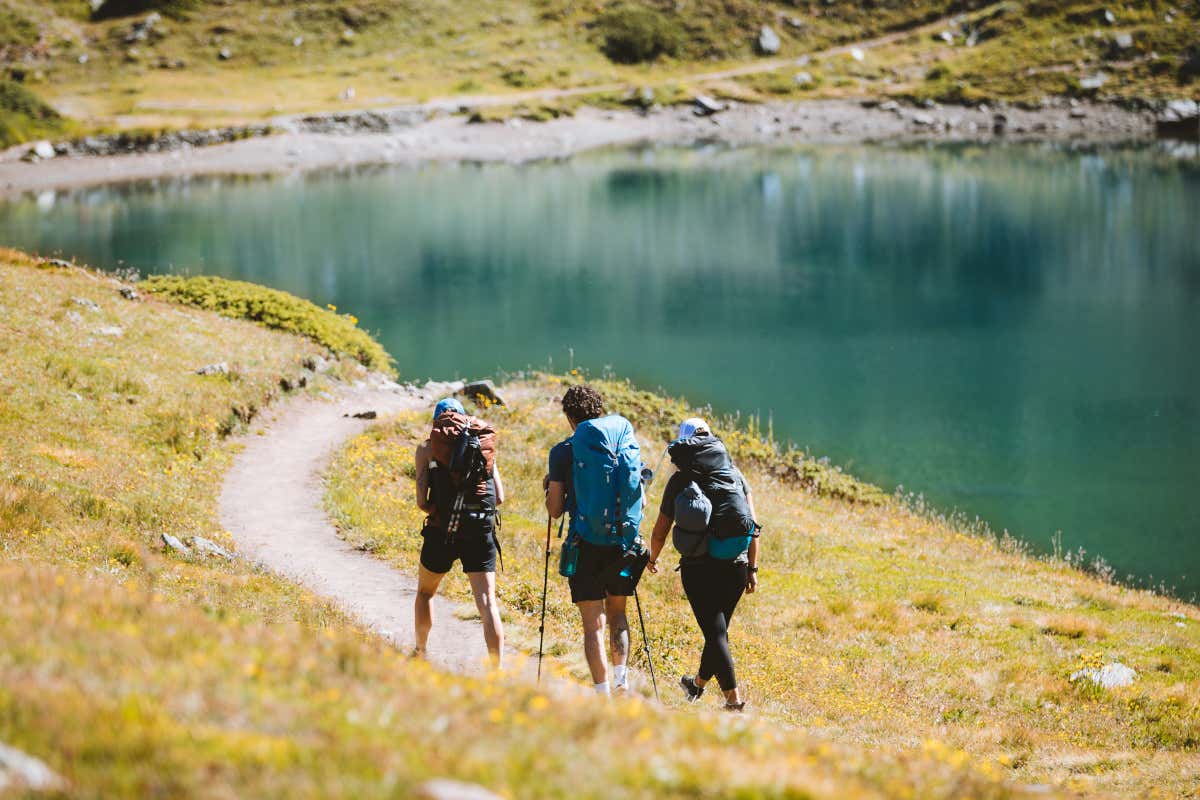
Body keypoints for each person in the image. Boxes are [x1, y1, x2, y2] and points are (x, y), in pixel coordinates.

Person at [646, 417, 760, 711]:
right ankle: (696, 685)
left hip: (699, 567)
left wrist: (652, 557)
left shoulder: (681, 479)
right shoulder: (735, 474)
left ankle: (733, 703)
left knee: (716, 634)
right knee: (717, 633)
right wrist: (752, 567)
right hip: (735, 563)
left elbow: (661, 529)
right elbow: (752, 526)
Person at [545, 384, 646, 697]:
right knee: (618, 612)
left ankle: (601, 693)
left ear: (570, 418)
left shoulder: (564, 451)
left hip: (586, 544)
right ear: (599, 411)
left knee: (593, 625)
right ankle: (621, 679)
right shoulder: (622, 446)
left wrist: (549, 488)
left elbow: (555, 510)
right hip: (623, 543)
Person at [413, 397, 506, 667]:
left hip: (442, 530)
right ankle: (496, 671)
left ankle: (420, 653)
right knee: (487, 603)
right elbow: (498, 497)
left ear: (436, 422)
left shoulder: (427, 449)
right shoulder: (481, 444)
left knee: (425, 593)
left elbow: (422, 502)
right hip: (479, 529)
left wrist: (442, 509)